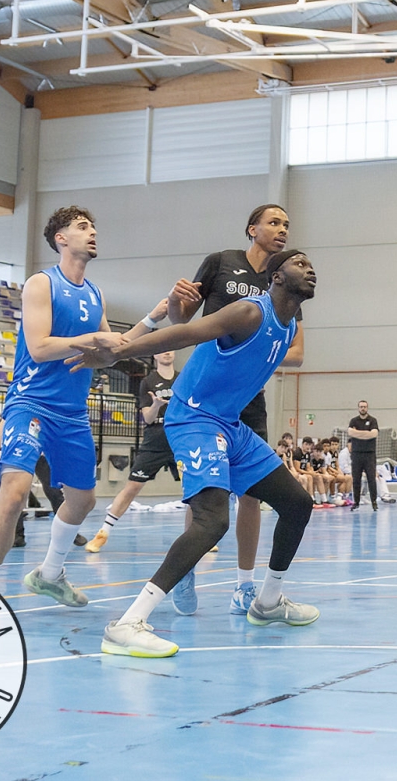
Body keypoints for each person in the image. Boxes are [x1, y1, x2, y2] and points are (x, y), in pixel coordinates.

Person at [86, 250, 320, 659]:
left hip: (229, 424)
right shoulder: (250, 312)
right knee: (212, 521)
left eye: (310, 263)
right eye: (299, 263)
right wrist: (121, 351)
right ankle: (126, 625)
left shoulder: (287, 329)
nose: (310, 268)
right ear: (277, 277)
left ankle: (267, 603)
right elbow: (186, 333)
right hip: (194, 417)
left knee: (297, 503)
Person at [0, 206, 165, 603]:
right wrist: (91, 340)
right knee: (14, 493)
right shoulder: (41, 284)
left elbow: (112, 352)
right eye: (82, 227)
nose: (92, 232)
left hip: (72, 412)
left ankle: (50, 573)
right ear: (60, 239)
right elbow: (40, 348)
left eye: (93, 226)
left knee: (83, 500)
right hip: (31, 402)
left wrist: (152, 318)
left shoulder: (95, 295)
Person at [167, 204, 303, 614]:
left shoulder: (286, 280)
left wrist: (252, 347)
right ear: (251, 229)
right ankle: (184, 572)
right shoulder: (220, 263)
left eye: (286, 225)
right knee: (204, 493)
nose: (282, 229)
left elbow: (296, 352)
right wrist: (176, 301)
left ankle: (245, 585)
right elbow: (181, 322)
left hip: (247, 398)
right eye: (274, 222)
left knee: (251, 494)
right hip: (205, 395)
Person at [83, 350, 182, 553]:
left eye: (171, 349)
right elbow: (147, 418)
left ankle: (199, 539)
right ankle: (103, 533)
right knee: (132, 487)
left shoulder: (183, 379)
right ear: (155, 355)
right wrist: (156, 405)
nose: (167, 353)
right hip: (155, 440)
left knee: (194, 489)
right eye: (162, 350)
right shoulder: (148, 382)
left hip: (181, 438)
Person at [348, 400, 380, 512]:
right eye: (361, 406)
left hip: (369, 454)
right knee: (356, 479)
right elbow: (350, 433)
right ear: (358, 408)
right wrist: (367, 434)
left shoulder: (373, 420)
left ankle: (374, 502)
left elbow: (374, 434)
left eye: (364, 407)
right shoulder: (353, 421)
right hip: (356, 454)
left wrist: (357, 433)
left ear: (367, 408)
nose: (363, 408)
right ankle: (356, 502)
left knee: (371, 479)